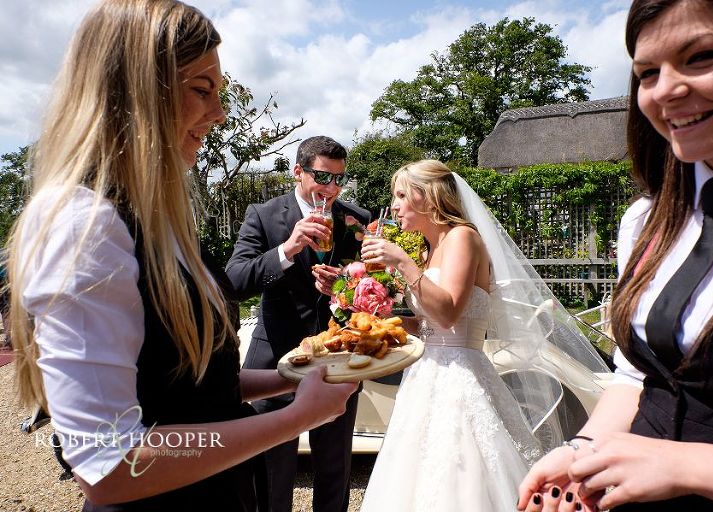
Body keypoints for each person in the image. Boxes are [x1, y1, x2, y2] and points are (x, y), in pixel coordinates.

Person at [4, 1, 357, 510]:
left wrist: (292, 376)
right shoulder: (85, 226)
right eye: (201, 90)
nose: (219, 114)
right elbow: (110, 463)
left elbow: (188, 386)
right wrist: (295, 418)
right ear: (133, 92)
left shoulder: (153, 219)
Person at [518, 1, 713, 511]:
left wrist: (689, 465)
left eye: (703, 56)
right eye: (647, 72)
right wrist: (583, 450)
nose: (667, 90)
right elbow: (639, 376)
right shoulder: (647, 220)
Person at [358, 160, 608, 511]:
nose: (395, 206)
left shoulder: (463, 237)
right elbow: (429, 324)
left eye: (401, 195)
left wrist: (402, 263)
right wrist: (382, 318)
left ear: (427, 196)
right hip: (426, 374)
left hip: (461, 377)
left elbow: (449, 313)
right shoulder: (429, 249)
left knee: (467, 476)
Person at [226, 135, 371, 512]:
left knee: (335, 467)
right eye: (323, 177)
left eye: (340, 179)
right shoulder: (263, 214)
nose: (332, 188)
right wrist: (286, 251)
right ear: (298, 171)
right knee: (272, 473)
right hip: (275, 357)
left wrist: (342, 286)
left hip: (338, 360)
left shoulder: (359, 219)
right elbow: (234, 282)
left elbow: (371, 292)